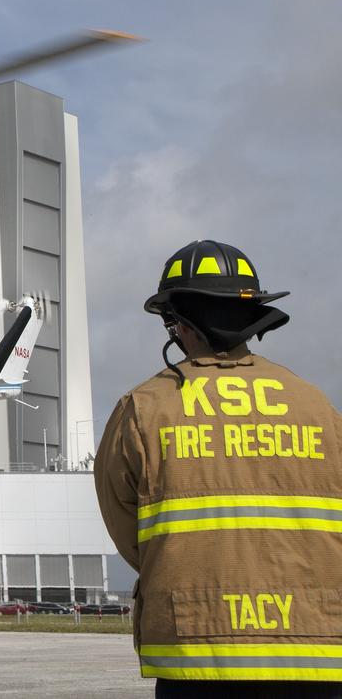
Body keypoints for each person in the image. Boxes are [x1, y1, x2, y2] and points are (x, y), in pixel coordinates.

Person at [95, 240, 342, 697]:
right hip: (315, 647)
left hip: (196, 646)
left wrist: (180, 562)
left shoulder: (143, 409)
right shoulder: (316, 405)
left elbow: (125, 526)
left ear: (179, 323)